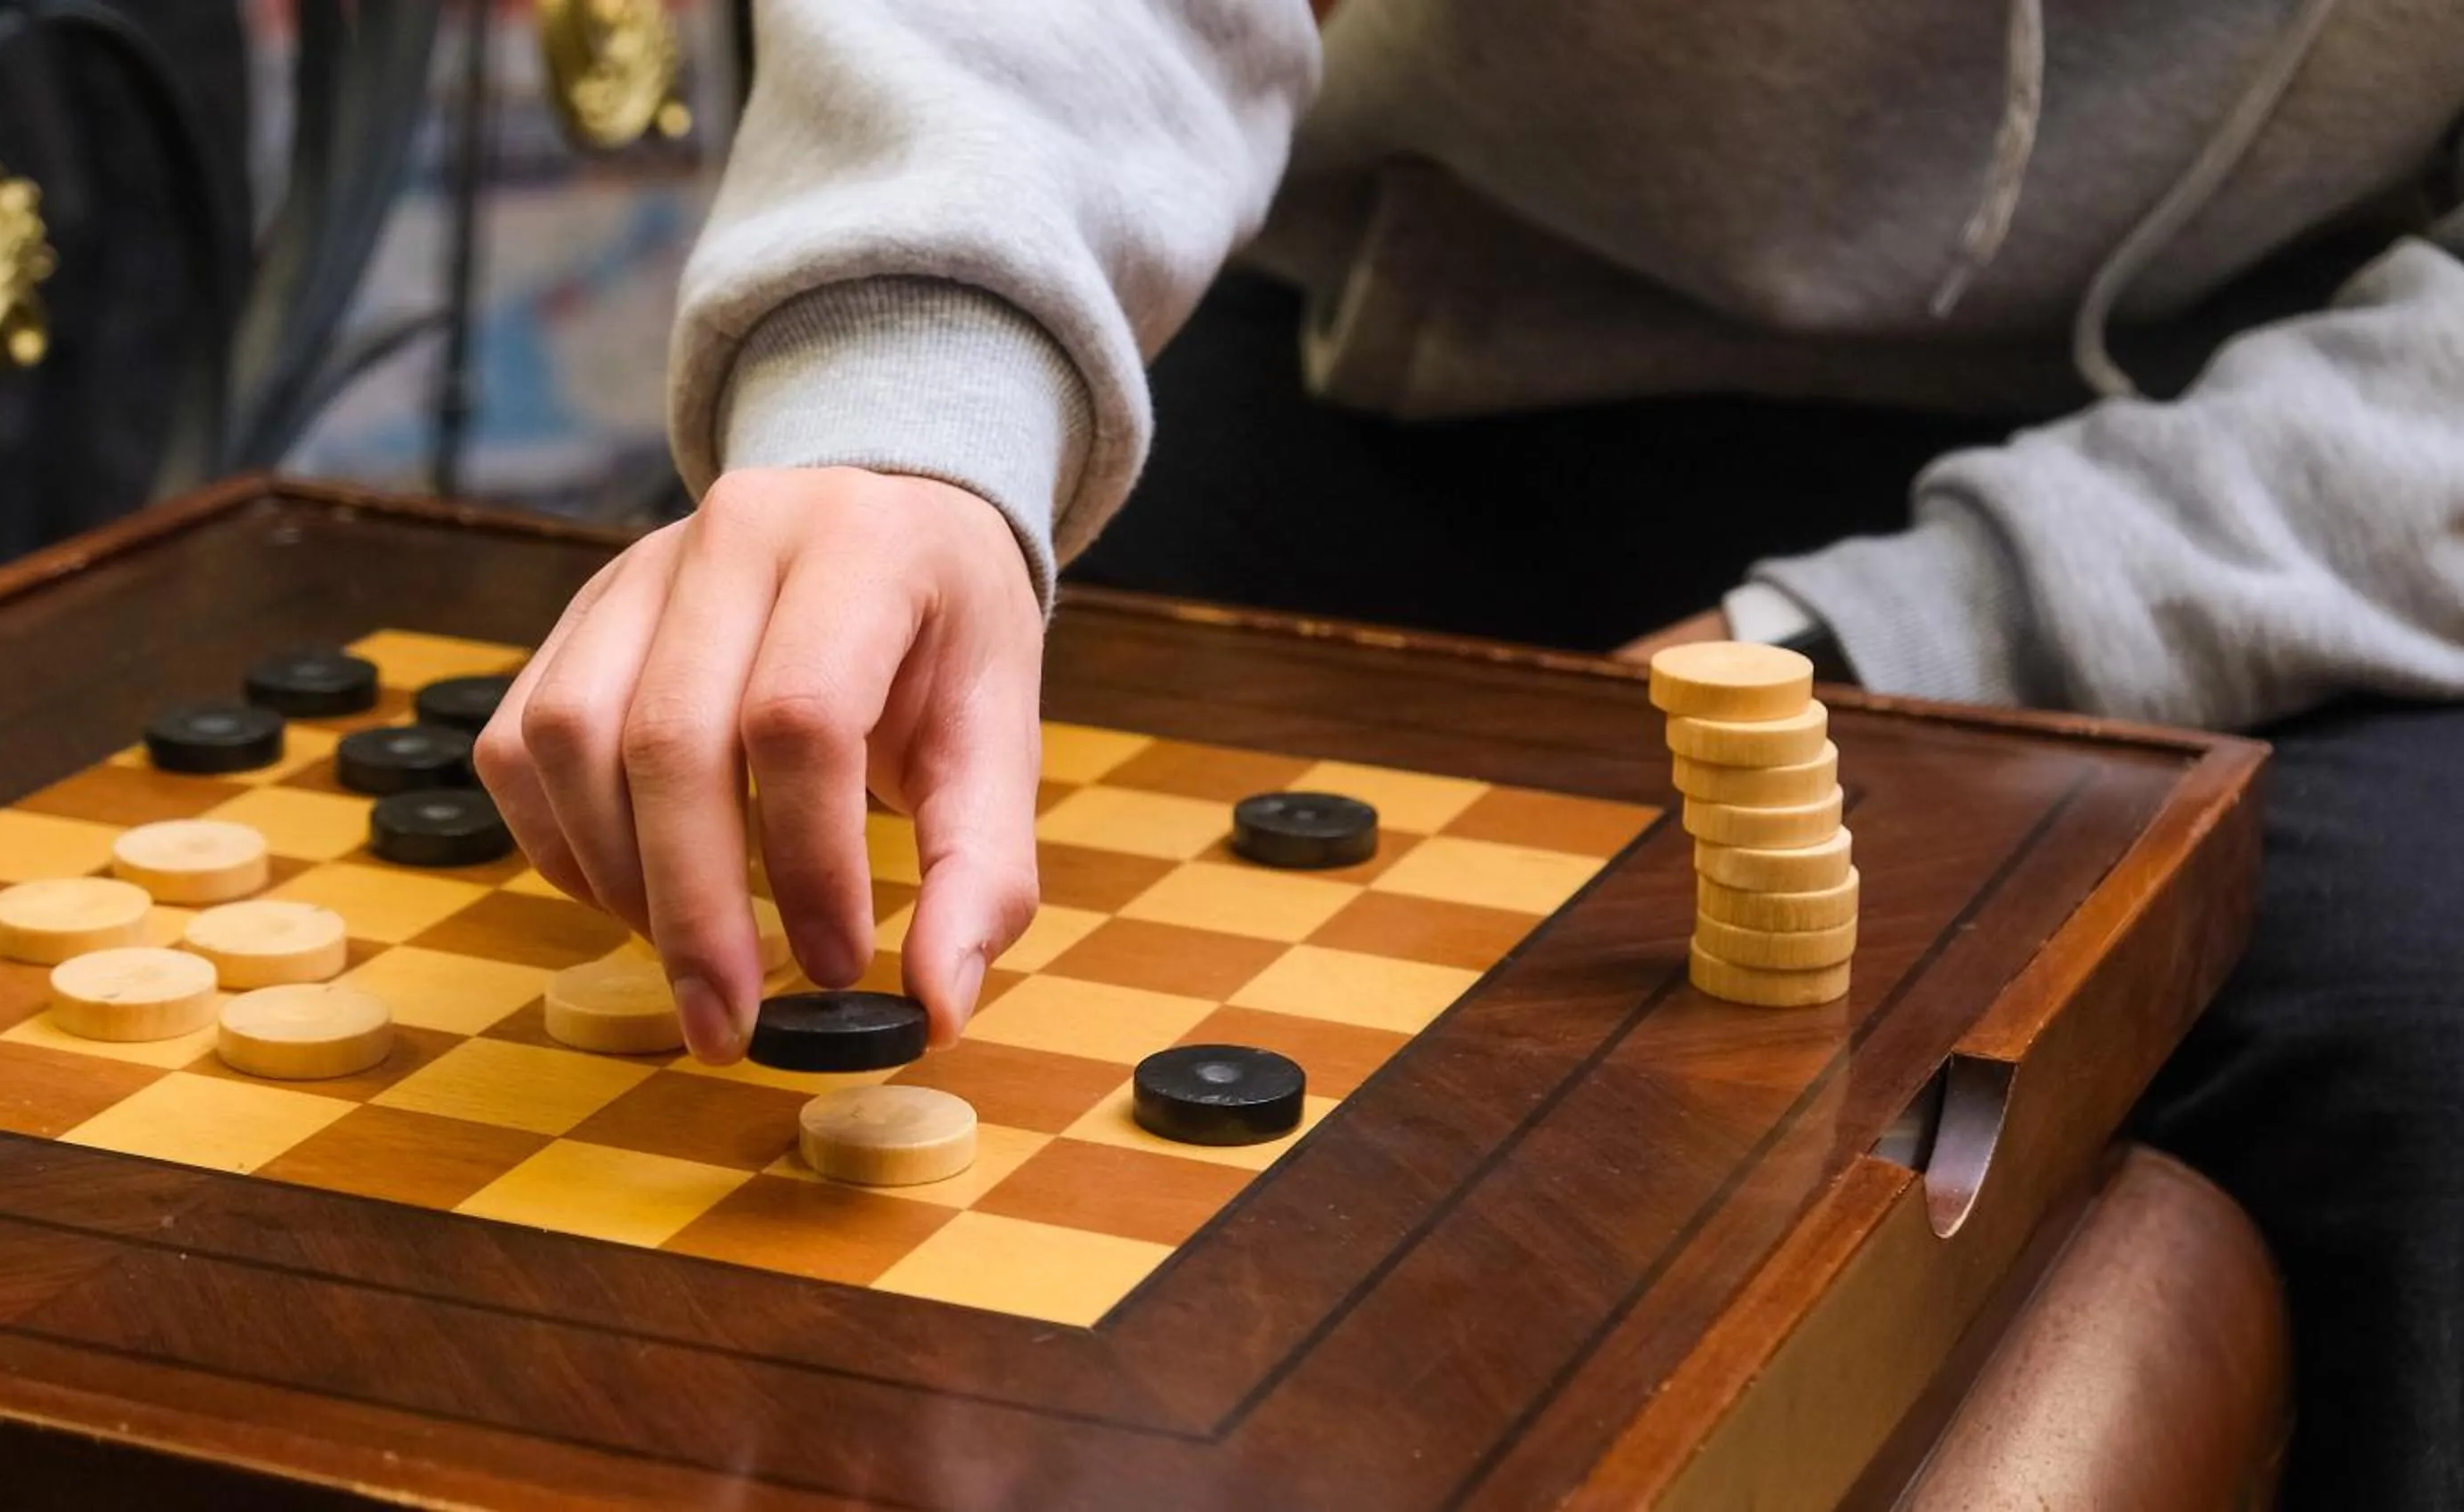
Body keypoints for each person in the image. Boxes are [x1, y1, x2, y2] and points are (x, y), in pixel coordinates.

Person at [470, 4, 2464, 1504]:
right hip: (1399, 342)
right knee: (793, 767)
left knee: (2414, 1046)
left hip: (2279, 443)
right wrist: (906, 403)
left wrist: (1903, 627)